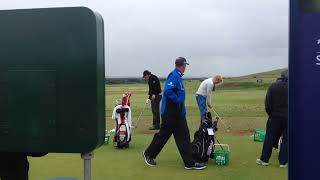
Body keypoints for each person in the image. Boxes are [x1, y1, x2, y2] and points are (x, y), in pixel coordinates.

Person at [142, 57, 206, 170]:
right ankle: (148, 154)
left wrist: (182, 109)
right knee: (163, 135)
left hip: (178, 114)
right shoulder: (174, 75)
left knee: (184, 136)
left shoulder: (179, 77)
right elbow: (168, 91)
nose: (185, 67)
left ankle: (189, 162)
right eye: (185, 65)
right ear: (182, 65)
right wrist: (178, 101)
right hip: (170, 113)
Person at [256, 69, 288, 168]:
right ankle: (283, 162)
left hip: (275, 117)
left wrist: (271, 114)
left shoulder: (273, 86)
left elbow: (268, 103)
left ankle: (264, 160)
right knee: (287, 140)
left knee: (269, 138)